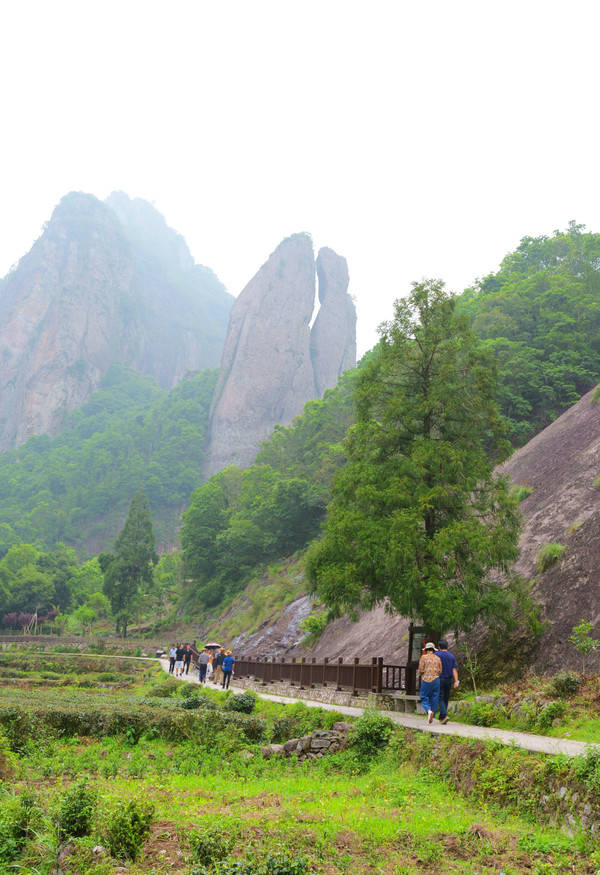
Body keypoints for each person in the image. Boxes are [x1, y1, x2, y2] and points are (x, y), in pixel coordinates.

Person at [436, 638, 459, 724]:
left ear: (439, 647)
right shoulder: (451, 656)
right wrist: (456, 681)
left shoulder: (436, 655)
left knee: (440, 697)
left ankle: (444, 714)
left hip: (439, 679)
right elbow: (454, 669)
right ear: (447, 646)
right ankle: (442, 718)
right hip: (449, 680)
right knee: (445, 698)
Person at [417, 642, 442, 724]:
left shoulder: (423, 657)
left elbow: (420, 670)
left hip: (426, 680)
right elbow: (440, 671)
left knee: (423, 696)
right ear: (433, 650)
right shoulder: (438, 658)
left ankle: (428, 711)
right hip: (436, 680)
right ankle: (432, 716)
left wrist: (421, 674)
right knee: (434, 697)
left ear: (426, 650)